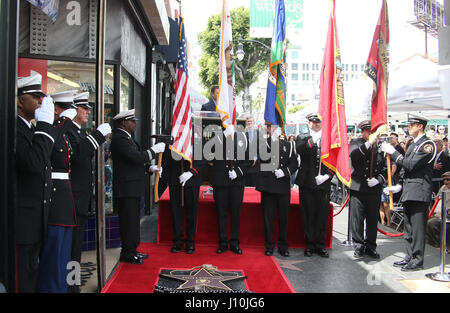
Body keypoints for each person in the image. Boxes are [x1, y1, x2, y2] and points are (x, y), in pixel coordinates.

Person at [65, 91, 111, 292]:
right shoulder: (67, 130)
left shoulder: (79, 132)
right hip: (71, 199)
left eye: (88, 108)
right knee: (71, 248)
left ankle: (73, 283)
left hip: (81, 198)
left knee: (76, 248)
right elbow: (78, 155)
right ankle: (70, 284)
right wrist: (98, 135)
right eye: (84, 108)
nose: (88, 112)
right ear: (73, 109)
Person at [15, 72, 56, 293]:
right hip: (21, 223)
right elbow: (33, 163)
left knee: (31, 277)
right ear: (20, 100)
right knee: (21, 280)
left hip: (34, 220)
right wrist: (46, 126)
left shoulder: (30, 127)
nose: (41, 101)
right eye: (35, 96)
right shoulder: (15, 128)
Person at [381, 114, 436, 271]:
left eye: (411, 125)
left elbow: (411, 165)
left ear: (420, 126)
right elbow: (406, 170)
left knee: (418, 228)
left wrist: (394, 153)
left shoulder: (427, 145)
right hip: (409, 191)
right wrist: (398, 185)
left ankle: (417, 259)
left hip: (419, 192)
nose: (409, 128)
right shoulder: (412, 145)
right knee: (409, 227)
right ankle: (409, 256)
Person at [36, 90, 79, 293]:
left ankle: (62, 288)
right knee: (53, 257)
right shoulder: (50, 129)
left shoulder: (63, 133)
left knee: (62, 256)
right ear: (55, 110)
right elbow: (47, 148)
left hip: (64, 198)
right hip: (53, 198)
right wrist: (62, 123)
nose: (70, 113)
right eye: (65, 108)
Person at [110, 109, 165, 264]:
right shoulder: (120, 139)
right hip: (126, 189)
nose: (135, 124)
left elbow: (135, 162)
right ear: (123, 123)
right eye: (132, 121)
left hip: (132, 188)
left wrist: (149, 168)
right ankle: (127, 253)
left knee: (133, 222)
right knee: (128, 222)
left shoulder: (128, 138)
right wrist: (153, 151)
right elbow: (135, 157)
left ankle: (132, 250)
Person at [295, 113, 334, 257]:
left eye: (318, 122)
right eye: (313, 121)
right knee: (308, 214)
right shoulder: (303, 136)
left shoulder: (328, 139)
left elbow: (334, 158)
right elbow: (301, 149)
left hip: (322, 182)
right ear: (309, 122)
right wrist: (313, 140)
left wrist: (327, 176)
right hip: (307, 182)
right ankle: (309, 244)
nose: (316, 124)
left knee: (321, 215)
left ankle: (320, 244)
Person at [256, 124, 298, 257]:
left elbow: (294, 164)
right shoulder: (264, 144)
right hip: (268, 186)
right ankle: (269, 245)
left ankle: (283, 245)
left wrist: (285, 172)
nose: (275, 130)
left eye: (277, 127)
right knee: (268, 218)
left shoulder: (289, 145)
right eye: (272, 127)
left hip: (283, 186)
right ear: (268, 129)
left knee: (283, 218)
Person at [160, 136, 205, 254]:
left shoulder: (196, 136)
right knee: (176, 212)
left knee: (192, 213)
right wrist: (164, 174)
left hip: (191, 180)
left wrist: (191, 172)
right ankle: (178, 241)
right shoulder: (172, 135)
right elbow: (166, 157)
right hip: (175, 179)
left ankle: (190, 241)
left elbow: (202, 158)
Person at [349, 120, 386, 259]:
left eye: (373, 131)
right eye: (368, 131)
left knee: (372, 219)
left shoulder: (381, 146)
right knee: (357, 218)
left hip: (374, 188)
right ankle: (358, 244)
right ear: (363, 132)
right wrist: (368, 144)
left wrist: (379, 179)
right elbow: (354, 156)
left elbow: (387, 166)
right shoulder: (356, 143)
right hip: (359, 187)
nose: (371, 134)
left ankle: (371, 245)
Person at [208, 125, 248, 254]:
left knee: (236, 214)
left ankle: (235, 243)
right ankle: (223, 242)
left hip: (236, 182)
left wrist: (238, 172)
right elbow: (208, 152)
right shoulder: (216, 135)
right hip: (220, 181)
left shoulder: (242, 137)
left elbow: (248, 160)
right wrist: (223, 136)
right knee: (221, 213)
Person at [426, 171, 450, 249]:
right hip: (441, 213)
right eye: (444, 180)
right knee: (425, 221)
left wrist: (445, 213)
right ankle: (434, 244)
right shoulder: (443, 188)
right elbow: (437, 200)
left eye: (448, 179)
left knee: (432, 223)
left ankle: (442, 245)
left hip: (447, 215)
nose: (446, 182)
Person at [245, 115, 258, 187]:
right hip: (246, 162)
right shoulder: (243, 133)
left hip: (256, 163)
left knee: (254, 185)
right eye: (248, 121)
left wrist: (255, 157)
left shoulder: (259, 133)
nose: (249, 123)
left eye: (251, 121)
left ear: (254, 122)